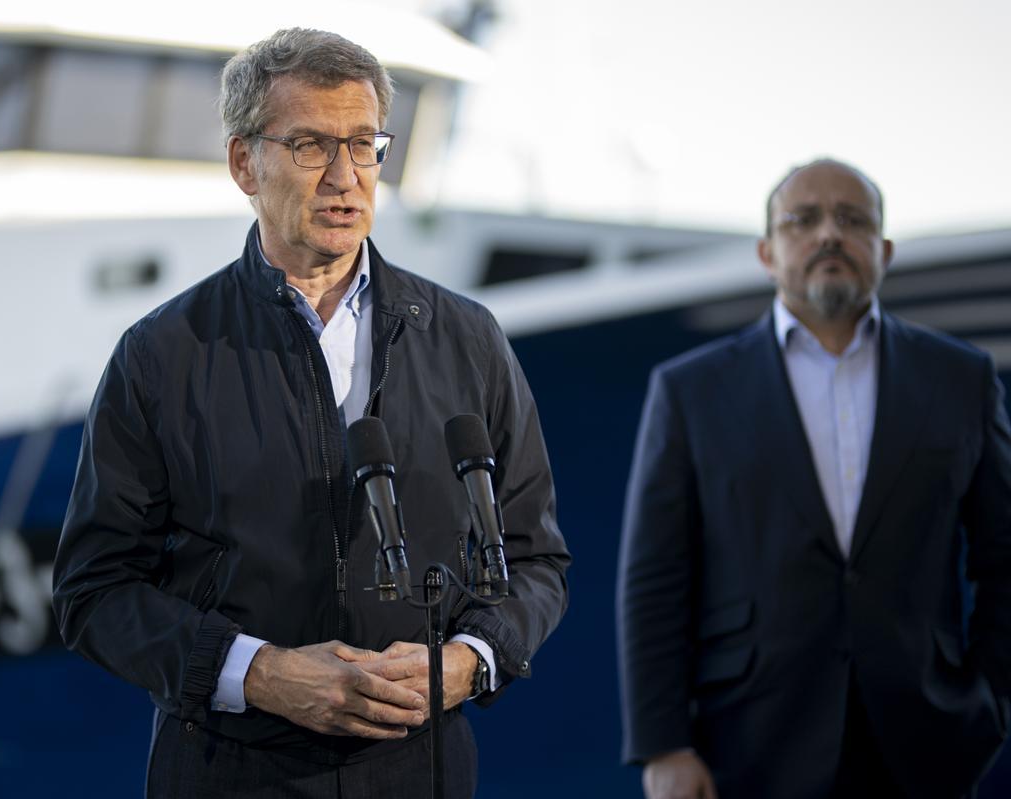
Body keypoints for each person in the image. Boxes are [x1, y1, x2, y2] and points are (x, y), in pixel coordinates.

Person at [52, 28, 569, 799]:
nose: (344, 177)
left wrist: (466, 662)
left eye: (364, 145)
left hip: (422, 773)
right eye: (309, 145)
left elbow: (536, 563)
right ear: (243, 164)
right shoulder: (159, 354)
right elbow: (92, 590)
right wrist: (260, 674)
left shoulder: (470, 338)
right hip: (231, 774)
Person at [617, 158, 1011, 799]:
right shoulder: (691, 390)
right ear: (768, 252)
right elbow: (655, 577)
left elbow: (1003, 555)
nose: (829, 234)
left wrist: (990, 704)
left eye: (852, 220)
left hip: (926, 742)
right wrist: (663, 744)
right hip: (743, 742)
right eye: (804, 220)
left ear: (882, 251)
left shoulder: (960, 379)